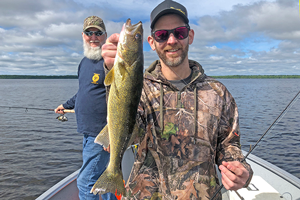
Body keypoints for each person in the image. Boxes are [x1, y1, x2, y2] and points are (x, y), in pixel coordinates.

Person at [102, 0, 253, 199]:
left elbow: (229, 145)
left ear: (189, 36)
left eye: (179, 32)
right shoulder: (141, 90)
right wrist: (113, 73)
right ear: (151, 42)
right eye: (162, 35)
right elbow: (126, 130)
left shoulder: (218, 93)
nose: (172, 40)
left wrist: (242, 171)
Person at [55, 16, 117, 200]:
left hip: (101, 134)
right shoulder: (84, 62)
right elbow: (84, 92)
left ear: (104, 36)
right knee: (102, 179)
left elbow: (121, 98)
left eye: (98, 33)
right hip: (87, 132)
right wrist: (65, 105)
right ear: (83, 35)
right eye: (89, 33)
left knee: (85, 183)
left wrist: (112, 135)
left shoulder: (110, 62)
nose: (93, 37)